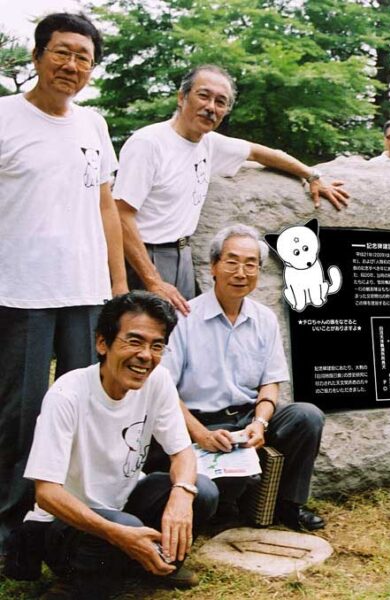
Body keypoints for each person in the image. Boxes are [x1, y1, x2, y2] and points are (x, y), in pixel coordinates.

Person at [0, 12, 128, 554]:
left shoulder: (93, 124)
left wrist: (119, 290)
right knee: (21, 416)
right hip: (20, 292)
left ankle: (72, 524)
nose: (71, 65)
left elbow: (105, 207)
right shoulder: (4, 117)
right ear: (37, 55)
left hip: (86, 295)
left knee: (85, 410)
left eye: (83, 58)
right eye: (62, 52)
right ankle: (11, 530)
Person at [7, 292, 218, 597]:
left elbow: (183, 452)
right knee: (123, 526)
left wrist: (182, 497)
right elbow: (47, 493)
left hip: (121, 504)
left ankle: (148, 564)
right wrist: (118, 533)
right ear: (102, 343)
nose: (146, 355)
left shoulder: (157, 380)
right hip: (62, 523)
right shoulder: (68, 395)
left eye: (156, 346)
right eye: (134, 341)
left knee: (201, 490)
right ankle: (76, 582)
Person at [112, 64, 350, 316]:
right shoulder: (148, 143)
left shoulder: (210, 143)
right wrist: (153, 281)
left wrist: (311, 175)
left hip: (183, 254)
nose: (211, 107)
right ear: (181, 97)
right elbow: (120, 214)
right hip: (144, 258)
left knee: (180, 340)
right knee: (144, 342)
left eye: (220, 102)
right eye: (203, 96)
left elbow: (261, 153)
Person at [161, 224, 326, 531]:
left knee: (307, 416)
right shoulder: (184, 317)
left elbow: (270, 382)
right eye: (232, 261)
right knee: (220, 508)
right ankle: (225, 505)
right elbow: (164, 392)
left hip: (247, 419)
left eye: (251, 264)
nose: (241, 272)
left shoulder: (264, 319)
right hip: (200, 422)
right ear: (213, 266)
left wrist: (260, 423)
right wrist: (200, 433)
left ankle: (288, 506)